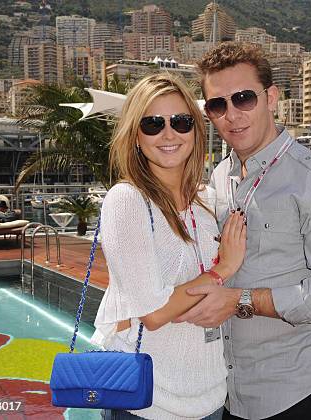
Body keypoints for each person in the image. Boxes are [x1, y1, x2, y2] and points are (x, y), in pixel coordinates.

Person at [174, 42, 311, 419]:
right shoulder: (220, 176)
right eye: (218, 105)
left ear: (271, 97)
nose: (232, 115)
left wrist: (239, 301)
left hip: (297, 389)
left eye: (244, 98)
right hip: (231, 388)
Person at [91, 73, 247, 420]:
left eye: (181, 121)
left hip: (210, 398)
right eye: (152, 123)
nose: (169, 133)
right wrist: (222, 269)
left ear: (195, 129)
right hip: (146, 403)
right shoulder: (127, 200)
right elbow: (155, 312)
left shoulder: (206, 201)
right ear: (135, 135)